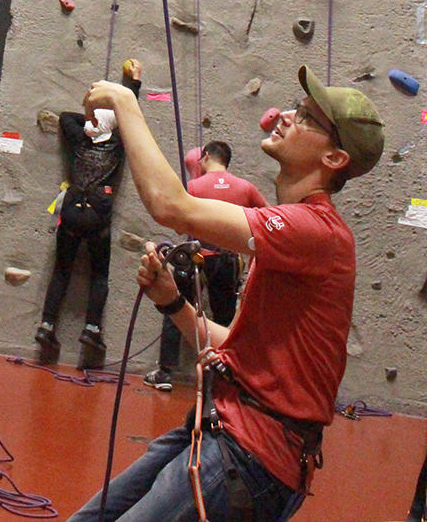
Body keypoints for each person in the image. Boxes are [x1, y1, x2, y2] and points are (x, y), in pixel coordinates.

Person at [65, 65, 384, 522]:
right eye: (298, 107)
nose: (288, 115)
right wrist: (173, 300)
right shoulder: (290, 232)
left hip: (252, 456)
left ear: (334, 159)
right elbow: (232, 344)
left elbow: (171, 206)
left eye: (309, 118)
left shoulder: (315, 230)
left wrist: (127, 102)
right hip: (225, 431)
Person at [35, 60, 142, 368]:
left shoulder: (79, 138)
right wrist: (132, 84)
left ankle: (47, 325)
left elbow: (68, 117)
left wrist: (89, 114)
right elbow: (129, 116)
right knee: (99, 274)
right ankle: (92, 329)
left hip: (71, 209)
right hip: (98, 213)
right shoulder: (119, 143)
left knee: (62, 271)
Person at [145, 140, 267, 392]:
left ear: (206, 157)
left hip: (196, 256)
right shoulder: (245, 188)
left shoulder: (193, 186)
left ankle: (166, 372)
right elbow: (265, 221)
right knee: (224, 318)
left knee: (176, 306)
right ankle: (224, 375)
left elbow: (178, 223)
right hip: (228, 260)